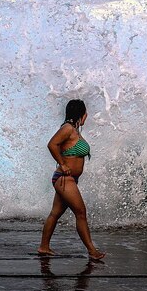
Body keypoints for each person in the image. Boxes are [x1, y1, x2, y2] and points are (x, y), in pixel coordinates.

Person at [38, 99, 106, 260]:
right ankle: (92, 251)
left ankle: (44, 247)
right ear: (82, 114)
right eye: (85, 113)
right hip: (64, 179)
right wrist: (62, 164)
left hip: (69, 180)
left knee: (55, 213)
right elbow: (52, 144)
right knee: (81, 212)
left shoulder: (74, 130)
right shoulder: (67, 129)